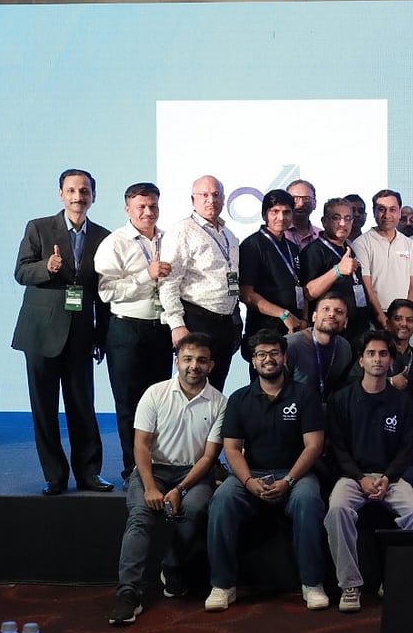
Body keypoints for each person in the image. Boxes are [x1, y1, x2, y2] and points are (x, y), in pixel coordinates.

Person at [205, 330, 328, 612]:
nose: (268, 359)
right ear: (253, 362)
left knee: (309, 500)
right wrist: (248, 481)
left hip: (295, 473)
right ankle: (222, 585)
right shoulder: (238, 399)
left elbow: (313, 446)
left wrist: (288, 480)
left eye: (274, 353)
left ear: (284, 357)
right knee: (222, 500)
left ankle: (312, 583)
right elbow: (233, 449)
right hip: (253, 473)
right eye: (261, 354)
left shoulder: (304, 395)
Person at [108, 333, 226, 625]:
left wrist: (179, 489)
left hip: (193, 473)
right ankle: (128, 594)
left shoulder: (220, 403)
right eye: (187, 359)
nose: (193, 366)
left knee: (195, 510)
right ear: (177, 362)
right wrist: (149, 487)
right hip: (154, 470)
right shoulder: (155, 393)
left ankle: (172, 566)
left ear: (211, 365)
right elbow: (141, 446)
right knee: (140, 516)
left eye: (201, 360)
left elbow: (209, 458)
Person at [13, 168, 112, 495]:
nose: (77, 197)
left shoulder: (103, 236)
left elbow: (102, 292)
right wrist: (47, 268)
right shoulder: (39, 228)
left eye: (84, 191)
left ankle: (89, 474)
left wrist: (100, 335)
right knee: (44, 407)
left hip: (82, 333)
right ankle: (55, 475)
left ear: (93, 196)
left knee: (82, 405)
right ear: (60, 194)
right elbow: (21, 272)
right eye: (71, 190)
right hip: (40, 333)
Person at [325, 330, 413, 611]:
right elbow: (338, 448)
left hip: (390, 478)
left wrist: (387, 478)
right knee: (337, 510)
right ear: (361, 360)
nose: (377, 359)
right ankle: (350, 585)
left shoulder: (402, 402)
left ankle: (393, 577)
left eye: (383, 354)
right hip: (352, 476)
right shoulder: (342, 400)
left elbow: (406, 449)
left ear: (391, 361)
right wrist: (359, 478)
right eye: (371, 354)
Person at [94, 181, 174, 483]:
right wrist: (146, 276)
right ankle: (133, 469)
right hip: (126, 329)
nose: (148, 211)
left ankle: (157, 465)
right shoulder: (115, 242)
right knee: (129, 403)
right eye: (141, 206)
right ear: (128, 209)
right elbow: (106, 292)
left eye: (153, 205)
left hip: (161, 329)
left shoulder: (168, 239)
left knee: (159, 403)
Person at [159, 175, 240, 391]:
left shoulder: (229, 235)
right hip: (196, 320)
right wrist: (176, 324)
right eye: (204, 195)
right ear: (192, 199)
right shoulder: (182, 231)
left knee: (216, 389)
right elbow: (168, 282)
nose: (210, 200)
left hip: (225, 322)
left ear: (223, 199)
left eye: (215, 195)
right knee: (192, 387)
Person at [239, 189, 306, 353]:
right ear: (264, 215)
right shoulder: (252, 245)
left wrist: (304, 318)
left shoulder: (292, 247)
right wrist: (283, 314)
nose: (281, 218)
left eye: (286, 212)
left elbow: (301, 286)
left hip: (295, 328)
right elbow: (245, 293)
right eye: (275, 212)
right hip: (264, 330)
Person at [299, 197, 369, 348]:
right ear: (324, 221)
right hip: (331, 333)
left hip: (357, 331)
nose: (343, 224)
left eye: (347, 218)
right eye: (336, 218)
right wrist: (337, 270)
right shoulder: (314, 251)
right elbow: (309, 292)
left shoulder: (349, 249)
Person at [356, 189, 413, 331]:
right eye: (381, 210)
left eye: (392, 210)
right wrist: (381, 318)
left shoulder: (410, 245)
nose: (387, 215)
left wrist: (407, 317)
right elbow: (367, 286)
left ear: (399, 212)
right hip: (373, 317)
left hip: (402, 319)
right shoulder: (361, 243)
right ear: (374, 212)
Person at [285, 292, 355, 403]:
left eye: (339, 311)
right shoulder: (290, 344)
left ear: (345, 322)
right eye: (326, 309)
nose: (332, 314)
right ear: (314, 316)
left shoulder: (345, 347)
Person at [284, 179, 321, 250]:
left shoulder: (321, 235)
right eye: (295, 199)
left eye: (306, 199)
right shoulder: (277, 234)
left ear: (314, 204)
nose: (301, 204)